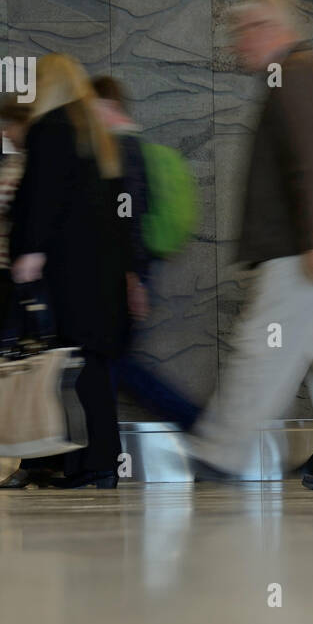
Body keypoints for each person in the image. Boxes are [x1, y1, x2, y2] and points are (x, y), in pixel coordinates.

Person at [185, 0, 313, 490]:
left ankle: (222, 450)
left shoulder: (294, 73)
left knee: (262, 345)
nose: (237, 44)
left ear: (268, 28)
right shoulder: (299, 72)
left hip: (305, 249)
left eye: (243, 31)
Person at [7, 54, 132, 490]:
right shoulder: (98, 134)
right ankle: (101, 461)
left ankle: (70, 460)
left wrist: (30, 252)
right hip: (103, 273)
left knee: (57, 368)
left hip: (68, 271)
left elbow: (43, 196)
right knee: (95, 371)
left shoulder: (50, 128)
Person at [91, 76, 201, 430]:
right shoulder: (127, 148)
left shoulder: (122, 150)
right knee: (112, 361)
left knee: (116, 362)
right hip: (131, 270)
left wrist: (133, 277)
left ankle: (197, 424)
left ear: (107, 106)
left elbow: (130, 218)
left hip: (127, 273)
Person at [0, 94, 46, 489]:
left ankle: (33, 459)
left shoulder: (31, 166)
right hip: (3, 276)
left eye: (9, 124)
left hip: (18, 280)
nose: (4, 132)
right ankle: (32, 457)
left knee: (18, 369)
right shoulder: (17, 162)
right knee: (7, 367)